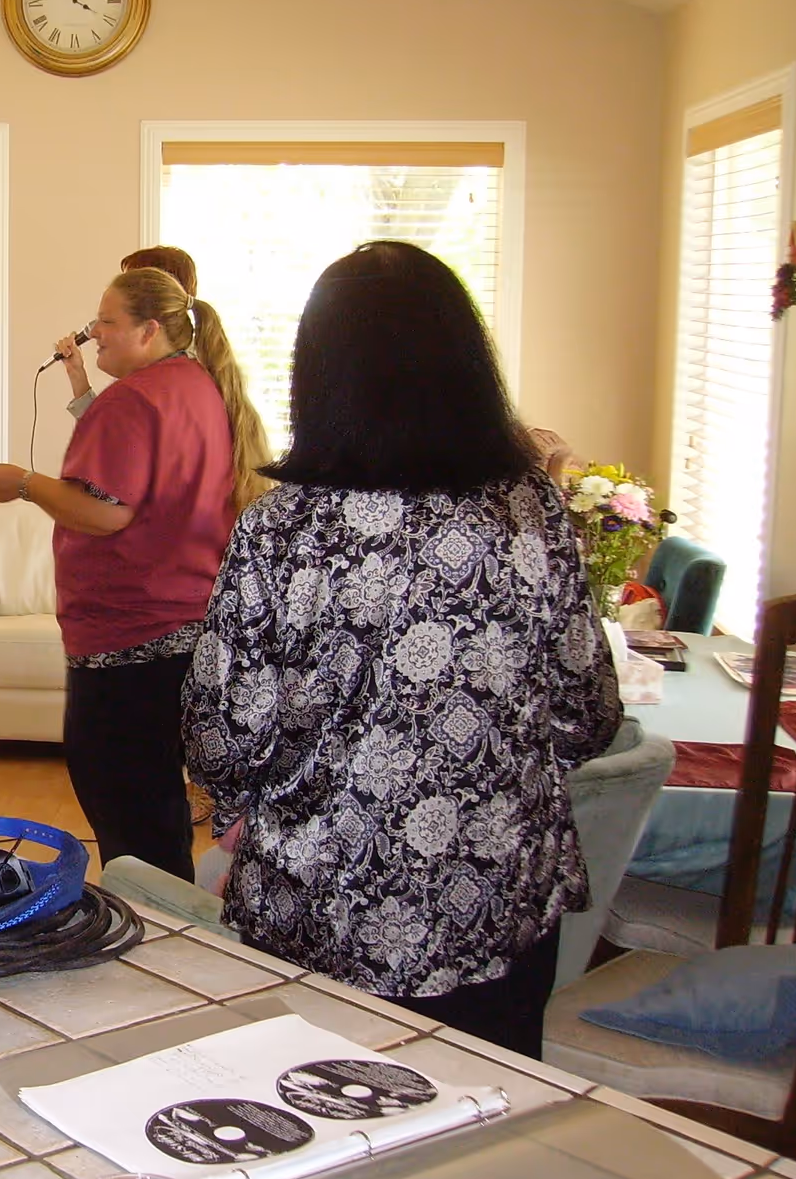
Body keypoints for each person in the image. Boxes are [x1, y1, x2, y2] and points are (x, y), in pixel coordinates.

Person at [181, 240, 620, 1057]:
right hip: (496, 906)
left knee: (319, 1137)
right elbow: (586, 716)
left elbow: (220, 738)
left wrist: (245, 804)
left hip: (319, 913)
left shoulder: (281, 532)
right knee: (479, 1146)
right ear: (466, 368)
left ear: (319, 376)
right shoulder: (530, 514)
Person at [0, 263, 270, 881]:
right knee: (155, 799)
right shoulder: (196, 385)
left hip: (128, 637)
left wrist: (23, 483)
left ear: (149, 329)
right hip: (184, 626)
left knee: (129, 814)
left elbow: (107, 513)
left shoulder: (133, 399)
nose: (94, 332)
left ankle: (152, 939)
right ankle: (172, 927)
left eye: (106, 322)